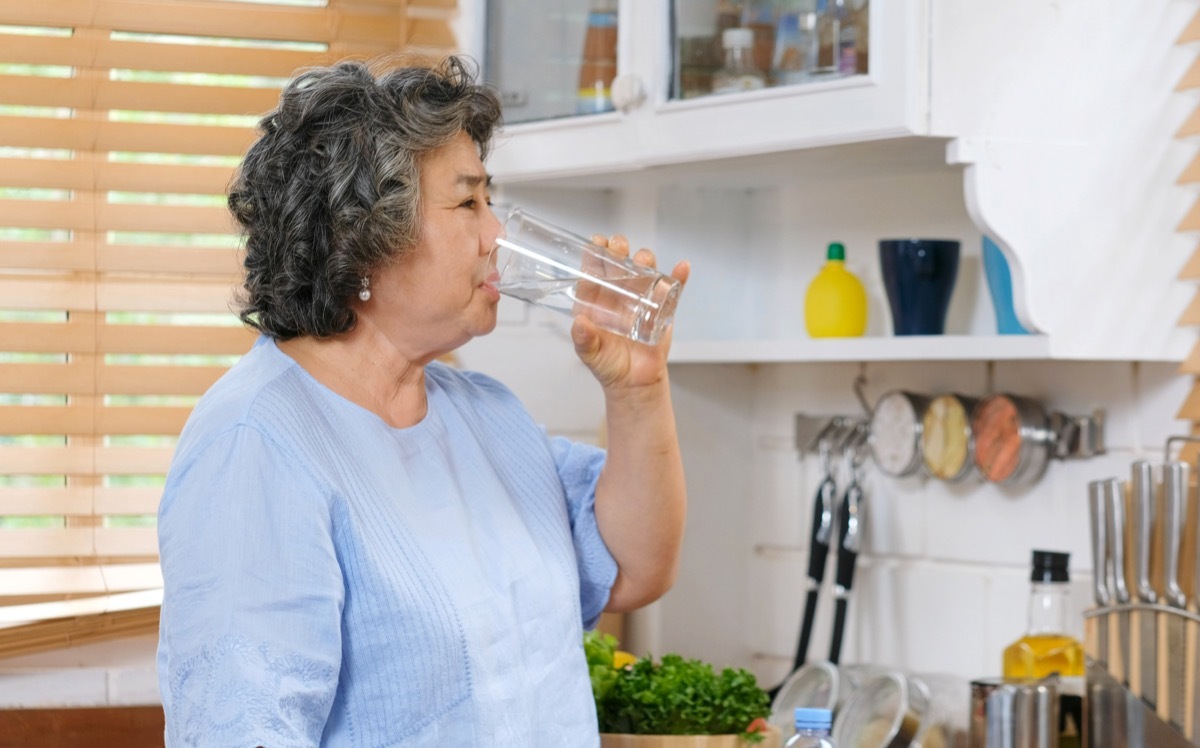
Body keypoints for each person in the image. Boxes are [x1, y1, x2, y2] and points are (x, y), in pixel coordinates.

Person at [155, 56, 689, 746]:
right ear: (364, 235)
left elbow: (636, 569)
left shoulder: (485, 415)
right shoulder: (255, 442)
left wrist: (636, 390)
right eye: (468, 202)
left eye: (488, 201)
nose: (496, 234)